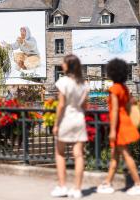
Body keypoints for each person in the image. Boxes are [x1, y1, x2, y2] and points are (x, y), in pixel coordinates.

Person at [97, 59, 140, 196]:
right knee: (115, 156)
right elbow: (128, 104)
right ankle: (107, 182)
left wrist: (112, 131)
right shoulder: (124, 88)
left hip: (120, 126)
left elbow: (114, 111)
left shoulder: (114, 89)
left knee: (126, 155)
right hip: (126, 122)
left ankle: (138, 184)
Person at [51, 54, 89, 198]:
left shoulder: (63, 82)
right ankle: (77, 189)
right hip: (79, 119)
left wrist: (56, 124)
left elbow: (61, 105)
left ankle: (62, 187)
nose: (62, 64)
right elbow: (85, 105)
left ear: (68, 65)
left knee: (60, 153)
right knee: (79, 155)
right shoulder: (83, 84)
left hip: (66, 119)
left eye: (64, 63)